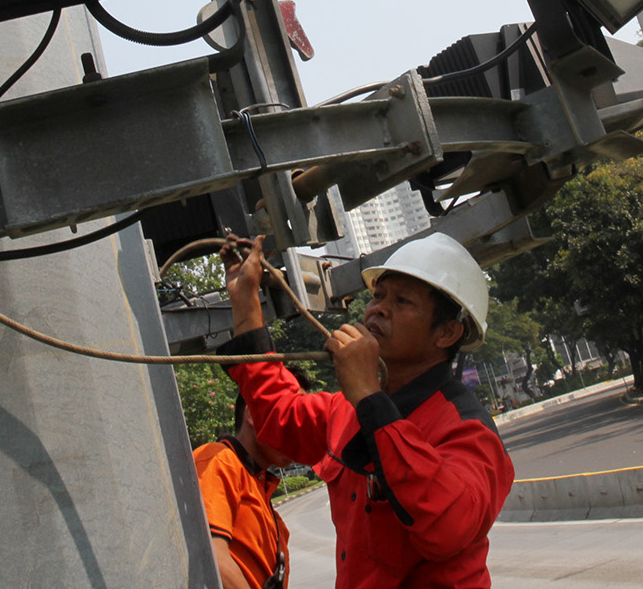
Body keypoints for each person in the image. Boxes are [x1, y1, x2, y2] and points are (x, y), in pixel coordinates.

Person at [221, 232, 514, 588]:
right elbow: (277, 412)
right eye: (377, 295)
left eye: (403, 301)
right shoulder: (349, 409)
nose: (377, 308)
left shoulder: (467, 431)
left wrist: (370, 400)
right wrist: (245, 302)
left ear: (448, 332)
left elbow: (446, 527)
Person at [193, 369, 311, 589]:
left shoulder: (259, 489)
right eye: (290, 417)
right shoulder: (219, 460)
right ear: (251, 414)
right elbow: (213, 559)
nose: (299, 432)